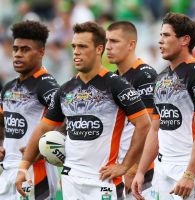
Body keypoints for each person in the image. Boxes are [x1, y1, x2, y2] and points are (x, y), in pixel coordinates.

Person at [15, 21, 151, 200]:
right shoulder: (65, 90)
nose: (76, 51)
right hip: (70, 178)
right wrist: (24, 166)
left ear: (98, 49)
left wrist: (126, 166)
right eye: (74, 46)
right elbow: (43, 128)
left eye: (82, 46)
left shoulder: (117, 85)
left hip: (103, 180)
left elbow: (144, 124)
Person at [131, 12, 195, 200]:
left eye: (166, 35)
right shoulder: (161, 77)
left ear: (185, 40)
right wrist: (140, 171)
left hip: (188, 167)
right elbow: (155, 129)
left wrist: (190, 173)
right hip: (162, 168)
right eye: (160, 36)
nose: (160, 41)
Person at [0, 20, 59, 200]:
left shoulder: (47, 86)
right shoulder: (8, 87)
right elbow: (2, 122)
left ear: (41, 52)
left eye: (25, 50)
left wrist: (44, 149)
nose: (18, 55)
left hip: (36, 172)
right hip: (8, 169)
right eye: (16, 49)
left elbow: (68, 119)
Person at [106, 21, 158, 199]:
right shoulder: (113, 79)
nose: (108, 47)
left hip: (140, 171)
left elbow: (150, 126)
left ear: (131, 45)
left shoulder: (145, 75)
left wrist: (134, 168)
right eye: (107, 41)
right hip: (119, 167)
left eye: (114, 41)